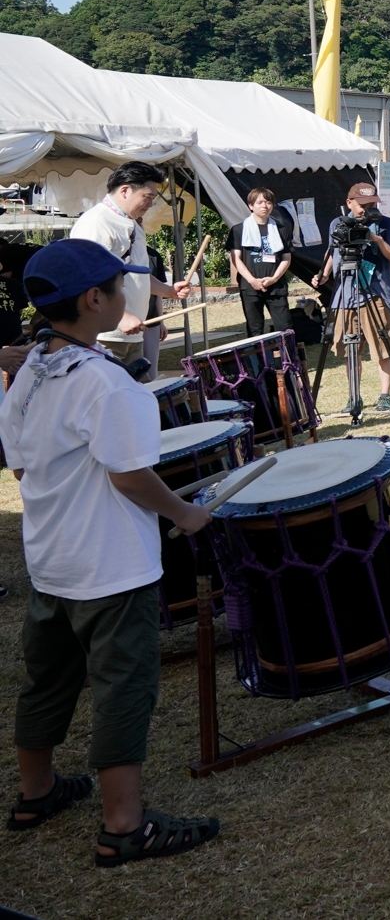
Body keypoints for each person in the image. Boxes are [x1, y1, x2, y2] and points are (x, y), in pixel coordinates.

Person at [0, 240, 220, 864]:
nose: (127, 297)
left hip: (51, 564)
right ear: (94, 300)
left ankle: (34, 793)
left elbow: (19, 468)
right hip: (109, 570)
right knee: (124, 689)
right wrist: (184, 512)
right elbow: (129, 475)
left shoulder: (28, 373)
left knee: (46, 683)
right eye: (118, 288)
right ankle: (124, 825)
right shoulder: (107, 385)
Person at [68, 162, 190, 380]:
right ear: (125, 190)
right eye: (148, 196)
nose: (151, 204)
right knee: (111, 402)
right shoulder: (97, 222)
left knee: (135, 402)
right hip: (105, 335)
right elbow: (86, 278)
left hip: (132, 335)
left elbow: (138, 272)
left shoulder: (131, 224)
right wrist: (121, 317)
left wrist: (168, 290)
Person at [313, 181, 390, 414]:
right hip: (345, 294)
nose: (366, 209)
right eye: (362, 204)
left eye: (371, 204)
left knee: (383, 346)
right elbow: (332, 250)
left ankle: (385, 396)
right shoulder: (338, 223)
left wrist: (377, 240)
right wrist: (323, 274)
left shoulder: (386, 224)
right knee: (350, 348)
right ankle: (354, 396)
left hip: (376, 293)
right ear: (349, 203)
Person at [227, 187, 293, 337]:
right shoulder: (239, 230)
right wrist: (252, 280)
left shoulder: (281, 229)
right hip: (250, 287)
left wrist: (274, 278)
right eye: (260, 202)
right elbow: (235, 258)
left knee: (284, 328)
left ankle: (286, 360)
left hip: (276, 286)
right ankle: (258, 360)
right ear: (251, 205)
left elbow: (286, 257)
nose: (264, 206)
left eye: (268, 202)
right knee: (255, 329)